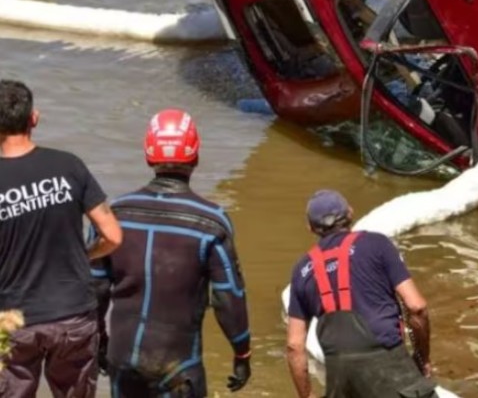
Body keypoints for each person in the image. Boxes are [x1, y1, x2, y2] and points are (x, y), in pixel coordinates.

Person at [92, 109, 252, 397]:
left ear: (148, 155)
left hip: (124, 355)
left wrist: (98, 342)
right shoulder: (211, 221)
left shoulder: (114, 215)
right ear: (195, 156)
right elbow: (228, 297)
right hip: (179, 363)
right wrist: (242, 352)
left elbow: (94, 289)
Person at [0, 79, 123, 397]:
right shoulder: (69, 166)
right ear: (34, 118)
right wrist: (86, 255)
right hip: (72, 314)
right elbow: (112, 235)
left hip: (13, 320)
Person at [285, 190, 436, 398]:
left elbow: (294, 346)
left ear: (310, 228)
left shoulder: (301, 270)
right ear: (350, 213)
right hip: (388, 366)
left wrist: (307, 395)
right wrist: (423, 357)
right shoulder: (377, 244)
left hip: (340, 377)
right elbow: (416, 307)